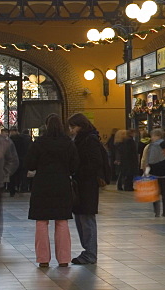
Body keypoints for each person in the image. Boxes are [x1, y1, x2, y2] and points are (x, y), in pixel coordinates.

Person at [25, 114, 78, 267]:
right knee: (61, 221)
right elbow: (75, 165)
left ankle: (43, 259)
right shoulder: (68, 143)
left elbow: (30, 163)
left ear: (46, 126)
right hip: (62, 184)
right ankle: (63, 259)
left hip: (42, 184)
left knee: (41, 222)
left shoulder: (39, 142)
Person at [67, 113, 110, 265]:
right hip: (82, 185)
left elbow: (95, 162)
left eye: (73, 127)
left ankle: (90, 253)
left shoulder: (89, 140)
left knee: (87, 219)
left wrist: (78, 171)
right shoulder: (82, 139)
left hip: (87, 186)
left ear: (81, 126)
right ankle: (87, 251)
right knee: (82, 219)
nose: (71, 130)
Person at [140, 128, 165, 217]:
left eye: (152, 136)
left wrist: (146, 170)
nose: (151, 138)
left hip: (154, 172)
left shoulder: (151, 146)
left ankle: (156, 212)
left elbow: (149, 160)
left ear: (157, 136)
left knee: (155, 194)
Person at [9, 128, 31, 196]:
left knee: (13, 175)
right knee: (23, 174)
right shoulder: (25, 139)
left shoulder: (10, 140)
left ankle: (12, 190)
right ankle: (23, 188)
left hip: (14, 159)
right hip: (23, 158)